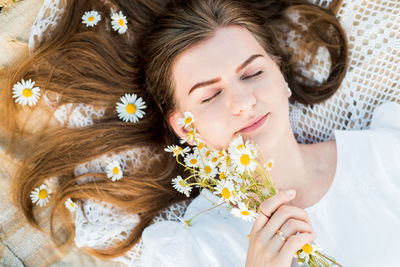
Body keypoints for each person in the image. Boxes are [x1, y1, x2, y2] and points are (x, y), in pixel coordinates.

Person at [1, 0, 399, 266]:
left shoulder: (387, 153)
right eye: (210, 95)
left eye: (254, 73)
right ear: (183, 127)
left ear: (283, 80)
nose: (242, 101)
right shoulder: (191, 250)